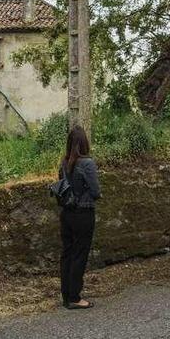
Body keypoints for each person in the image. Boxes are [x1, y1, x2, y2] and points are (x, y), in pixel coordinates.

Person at [58, 126, 101, 310]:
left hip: (66, 213)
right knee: (79, 254)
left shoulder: (64, 162)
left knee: (67, 253)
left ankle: (66, 295)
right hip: (83, 213)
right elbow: (96, 191)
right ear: (84, 143)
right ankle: (75, 297)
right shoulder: (87, 163)